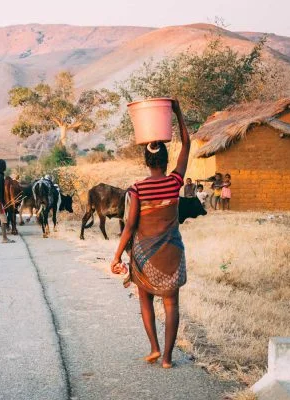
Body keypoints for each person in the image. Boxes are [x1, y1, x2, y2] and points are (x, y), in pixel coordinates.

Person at [110, 99, 190, 369]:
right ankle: (167, 358)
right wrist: (178, 114)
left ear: (146, 161)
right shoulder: (175, 182)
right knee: (171, 305)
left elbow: (130, 227)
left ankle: (154, 347)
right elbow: (187, 146)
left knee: (145, 298)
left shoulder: (137, 189)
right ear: (166, 160)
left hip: (144, 255)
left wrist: (117, 255)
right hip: (172, 254)